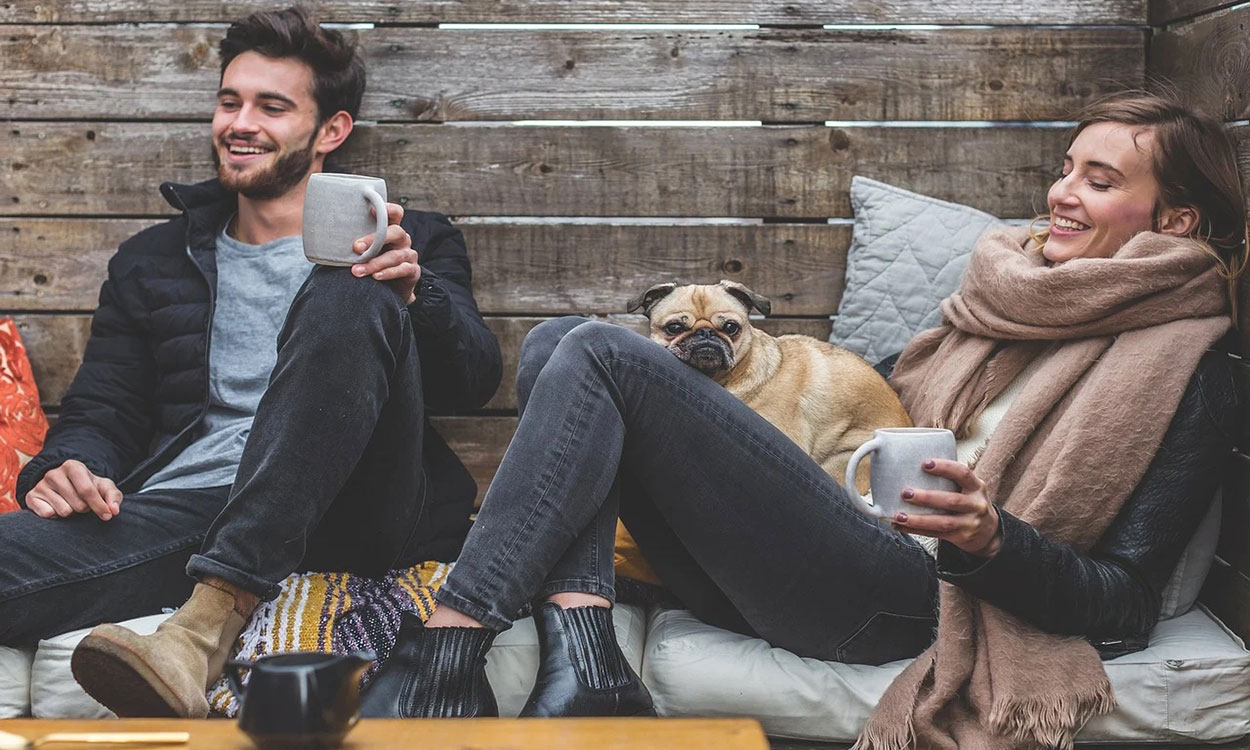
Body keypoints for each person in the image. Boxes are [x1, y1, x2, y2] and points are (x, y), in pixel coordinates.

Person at [358, 91, 1247, 748]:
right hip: (823, 553)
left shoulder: (1184, 365)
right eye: (1064, 169)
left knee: (593, 348)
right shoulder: (1006, 300)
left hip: (913, 600)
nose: (1061, 193)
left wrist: (990, 539)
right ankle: (589, 660)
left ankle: (450, 643)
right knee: (560, 342)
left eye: (1099, 180)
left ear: (1174, 218)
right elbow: (883, 402)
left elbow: (1127, 605)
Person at [0, 6, 501, 719]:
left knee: (351, 281)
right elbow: (102, 412)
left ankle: (207, 622)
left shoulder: (409, 238)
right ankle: (222, 583)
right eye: (229, 101)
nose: (240, 123)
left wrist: (414, 292)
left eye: (272, 106)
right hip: (190, 512)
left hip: (354, 503)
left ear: (331, 131)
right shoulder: (151, 262)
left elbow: (475, 378)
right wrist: (62, 468)